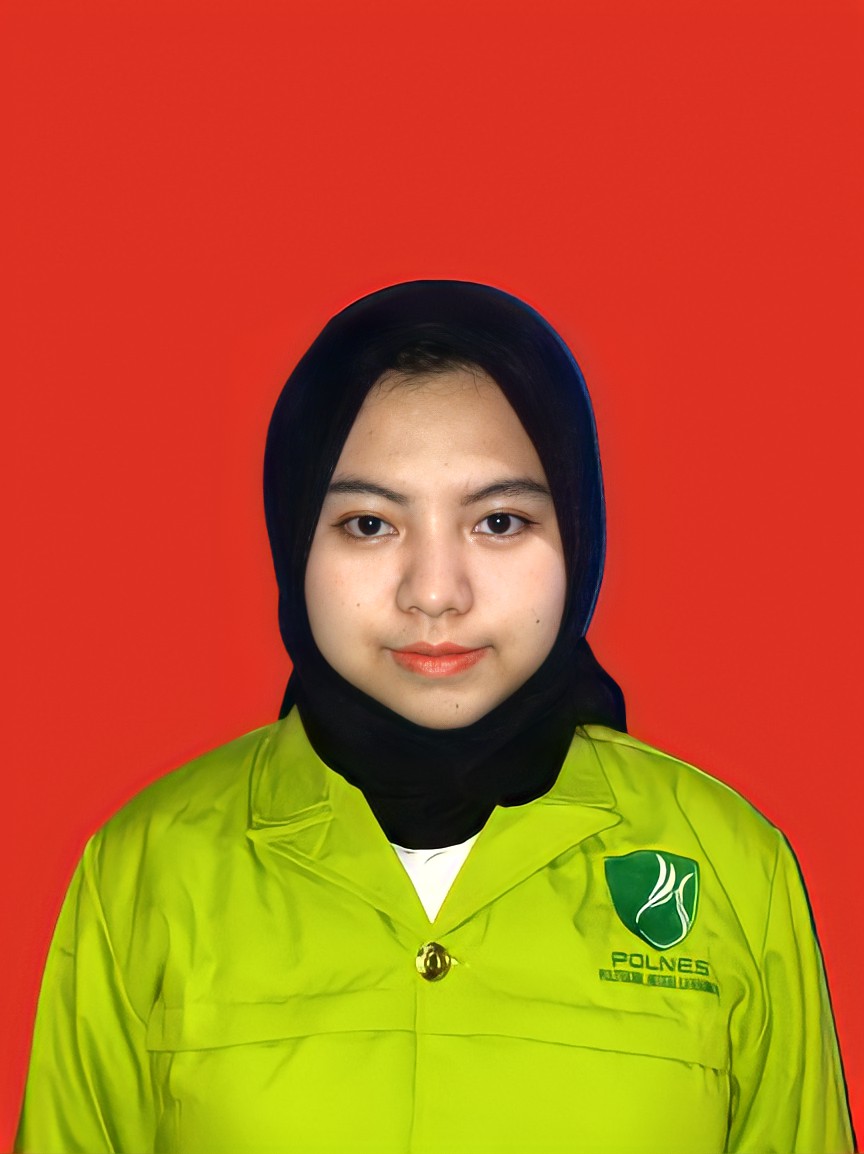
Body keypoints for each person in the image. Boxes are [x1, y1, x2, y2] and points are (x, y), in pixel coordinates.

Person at [15, 281, 854, 1154]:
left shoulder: (729, 867)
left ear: (577, 532)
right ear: (294, 535)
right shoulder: (149, 868)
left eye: (499, 521)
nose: (435, 594)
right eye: (369, 524)